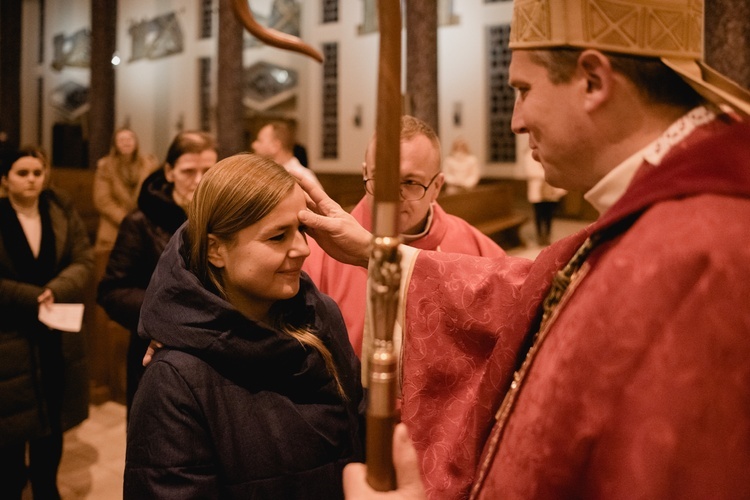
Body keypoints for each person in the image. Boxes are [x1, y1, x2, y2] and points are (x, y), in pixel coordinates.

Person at [296, 0, 750, 498]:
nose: (515, 121)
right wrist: (374, 253)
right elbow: (535, 291)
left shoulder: (703, 250)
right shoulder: (658, 217)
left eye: (523, 90)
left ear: (593, 81)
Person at [124, 153, 364, 498]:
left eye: (302, 230)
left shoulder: (322, 317)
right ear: (216, 250)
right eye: (277, 236)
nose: (303, 249)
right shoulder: (175, 380)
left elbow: (358, 433)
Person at [302, 115, 505, 359]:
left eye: (410, 182)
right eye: (381, 178)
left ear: (437, 188)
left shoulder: (476, 249)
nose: (392, 197)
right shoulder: (320, 253)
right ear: (364, 173)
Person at [97, 130, 217, 418]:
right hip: (158, 354)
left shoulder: (223, 218)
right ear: (169, 171)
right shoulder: (141, 222)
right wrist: (169, 312)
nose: (199, 179)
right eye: (189, 170)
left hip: (215, 351)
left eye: (208, 170)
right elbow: (113, 291)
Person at [0, 146, 93, 499]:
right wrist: (29, 296)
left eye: (37, 172)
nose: (31, 180)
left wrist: (55, 288)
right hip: (10, 335)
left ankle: (45, 486)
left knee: (52, 423)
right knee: (10, 429)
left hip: (56, 333)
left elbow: (83, 259)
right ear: (5, 179)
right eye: (22, 173)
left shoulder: (58, 208)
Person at [92, 127, 158, 254]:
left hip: (144, 227)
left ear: (136, 142)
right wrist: (126, 220)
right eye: (121, 139)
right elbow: (103, 200)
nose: (126, 142)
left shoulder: (149, 164)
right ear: (115, 144)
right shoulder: (105, 166)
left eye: (129, 139)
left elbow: (155, 193)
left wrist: (141, 218)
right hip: (113, 228)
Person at [252, 120, 324, 189]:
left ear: (275, 146)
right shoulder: (265, 173)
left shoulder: (303, 177)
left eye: (260, 140)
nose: (254, 145)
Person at [524, 139, 567, 246]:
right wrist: (546, 174)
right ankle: (539, 235)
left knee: (549, 214)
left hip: (550, 189)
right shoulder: (529, 154)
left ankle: (547, 234)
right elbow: (530, 171)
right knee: (538, 214)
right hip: (537, 189)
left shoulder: (550, 153)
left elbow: (557, 169)